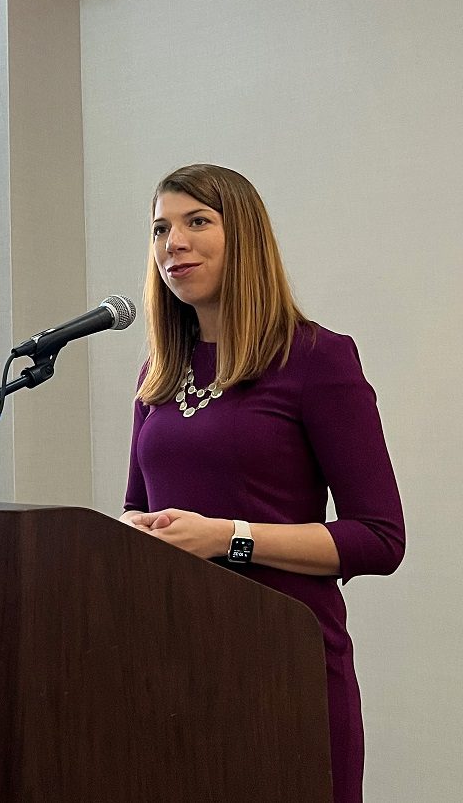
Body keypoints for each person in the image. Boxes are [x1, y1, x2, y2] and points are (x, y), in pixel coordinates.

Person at [121, 164, 404, 803]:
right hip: (170, 669)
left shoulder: (316, 359)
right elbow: (139, 510)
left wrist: (229, 539)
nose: (174, 243)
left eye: (198, 222)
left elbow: (380, 539)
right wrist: (126, 534)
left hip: (282, 665)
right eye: (161, 228)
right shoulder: (158, 373)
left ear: (244, 236)